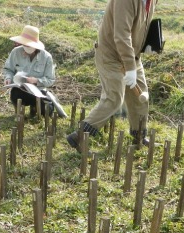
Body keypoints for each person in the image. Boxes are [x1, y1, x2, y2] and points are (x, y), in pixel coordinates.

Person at [67, 0, 158, 152]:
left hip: (132, 54)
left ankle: (139, 136)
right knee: (114, 98)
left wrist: (147, 44)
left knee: (140, 96)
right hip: (110, 55)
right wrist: (130, 68)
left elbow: (141, 25)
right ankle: (79, 137)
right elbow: (121, 35)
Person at [3, 25, 56, 116]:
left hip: (39, 91)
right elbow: (8, 69)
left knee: (48, 111)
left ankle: (35, 108)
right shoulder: (15, 52)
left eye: (29, 45)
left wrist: (36, 81)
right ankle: (20, 112)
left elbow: (50, 80)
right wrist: (8, 78)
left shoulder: (46, 57)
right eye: (24, 44)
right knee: (15, 94)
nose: (26, 47)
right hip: (21, 90)